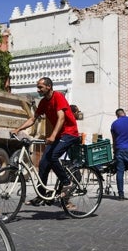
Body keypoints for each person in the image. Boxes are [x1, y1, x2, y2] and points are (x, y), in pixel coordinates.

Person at [12, 77, 80, 206]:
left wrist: (53, 135)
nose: (38, 90)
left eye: (40, 87)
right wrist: (18, 129)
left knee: (53, 156)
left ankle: (67, 183)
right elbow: (33, 119)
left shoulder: (58, 96)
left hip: (69, 133)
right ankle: (41, 195)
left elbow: (61, 118)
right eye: (38, 87)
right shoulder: (43, 102)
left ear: (48, 87)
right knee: (43, 164)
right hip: (58, 135)